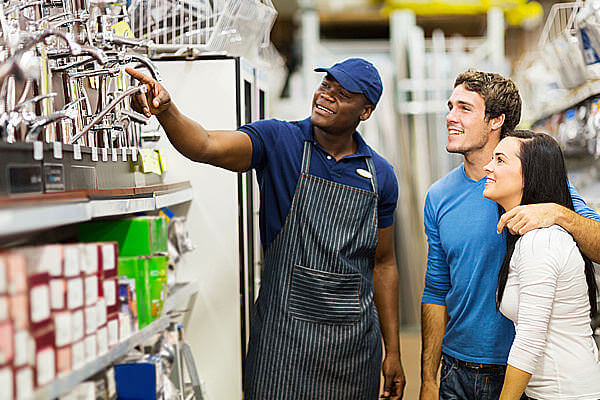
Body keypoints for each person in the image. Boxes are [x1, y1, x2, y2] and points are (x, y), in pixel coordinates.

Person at [126, 58, 406, 399]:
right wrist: (168, 110)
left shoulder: (380, 176)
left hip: (352, 350)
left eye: (342, 94)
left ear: (365, 111)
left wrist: (392, 350)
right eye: (326, 85)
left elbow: (384, 263)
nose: (326, 95)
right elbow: (204, 145)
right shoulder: (280, 141)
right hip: (282, 344)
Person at [420, 70, 600, 400]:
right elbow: (436, 288)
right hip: (455, 369)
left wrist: (557, 213)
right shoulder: (438, 195)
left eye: (464, 108)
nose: (450, 117)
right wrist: (428, 378)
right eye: (450, 106)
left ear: (496, 120)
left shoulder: (540, 189)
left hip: (516, 371)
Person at [483, 129, 600, 400]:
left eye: (500, 160)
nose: (488, 166)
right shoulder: (530, 237)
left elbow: (529, 341)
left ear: (530, 174)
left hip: (568, 392)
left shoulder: (542, 240)